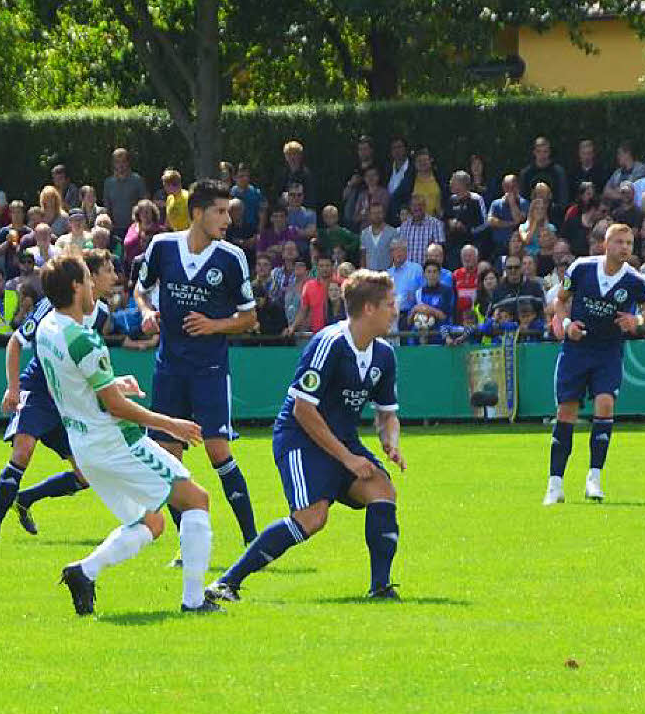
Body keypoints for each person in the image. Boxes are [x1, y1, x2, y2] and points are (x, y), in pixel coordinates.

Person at [34, 254, 219, 615]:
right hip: (116, 442)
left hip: (85, 444)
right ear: (76, 286)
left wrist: (113, 384)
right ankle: (194, 602)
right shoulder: (83, 338)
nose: (91, 286)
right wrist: (171, 424)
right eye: (87, 278)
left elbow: (73, 385)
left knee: (151, 522)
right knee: (197, 500)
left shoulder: (46, 328)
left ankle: (83, 572)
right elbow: (114, 407)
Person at [206, 270, 405, 602]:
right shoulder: (329, 343)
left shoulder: (383, 354)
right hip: (300, 438)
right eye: (389, 304)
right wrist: (348, 459)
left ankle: (380, 588)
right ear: (368, 308)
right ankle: (227, 583)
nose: (395, 310)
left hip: (342, 440)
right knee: (312, 518)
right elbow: (303, 410)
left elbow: (387, 412)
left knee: (382, 490)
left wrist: (390, 441)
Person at [135, 179, 260, 553]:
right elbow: (140, 289)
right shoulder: (162, 247)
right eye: (220, 212)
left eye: (228, 211)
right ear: (197, 213)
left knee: (218, 451)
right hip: (169, 369)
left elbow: (249, 316)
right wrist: (145, 313)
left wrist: (215, 326)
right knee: (168, 460)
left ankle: (253, 541)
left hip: (209, 370)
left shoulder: (231, 257)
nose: (227, 219)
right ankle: (185, 546)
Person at [0, 251, 117, 542]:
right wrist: (14, 387)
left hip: (68, 400)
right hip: (39, 390)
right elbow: (16, 343)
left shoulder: (103, 314)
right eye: (108, 271)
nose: (115, 277)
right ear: (87, 279)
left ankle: (26, 498)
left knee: (86, 475)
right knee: (22, 452)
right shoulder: (52, 305)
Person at [544, 224, 645, 505]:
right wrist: (568, 323)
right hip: (577, 349)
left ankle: (594, 478)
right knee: (566, 411)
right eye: (619, 242)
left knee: (605, 404)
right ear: (605, 245)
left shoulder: (635, 280)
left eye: (629, 243)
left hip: (608, 350)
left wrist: (639, 321)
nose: (625, 248)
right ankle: (555, 483)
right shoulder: (581, 268)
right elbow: (560, 301)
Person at [103, 147, 148, 236]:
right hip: (115, 229)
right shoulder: (108, 182)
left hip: (135, 228)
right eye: (117, 162)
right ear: (113, 164)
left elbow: (144, 204)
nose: (120, 165)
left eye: (123, 161)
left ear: (128, 162)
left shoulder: (137, 180)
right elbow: (107, 205)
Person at [359, 200, 396, 272]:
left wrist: (390, 273)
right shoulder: (364, 233)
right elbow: (363, 256)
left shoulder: (393, 232)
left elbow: (394, 256)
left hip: (386, 275)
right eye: (374, 213)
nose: (377, 215)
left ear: (384, 214)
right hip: (369, 276)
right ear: (369, 215)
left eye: (379, 212)